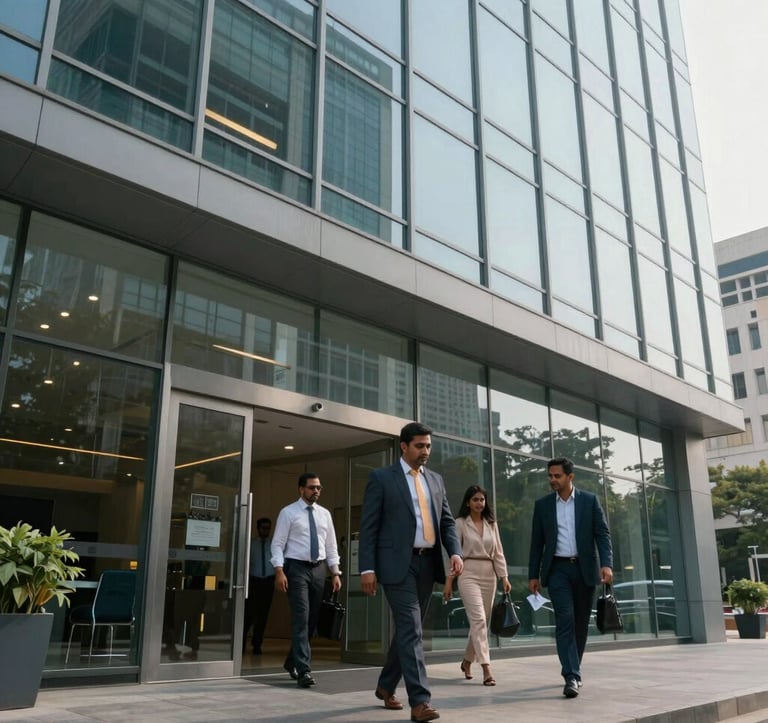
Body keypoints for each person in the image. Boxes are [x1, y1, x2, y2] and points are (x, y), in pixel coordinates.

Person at [359, 422, 463, 723]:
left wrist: (454, 551)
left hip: (427, 564)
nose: (425, 451)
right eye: (420, 446)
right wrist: (367, 568)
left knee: (408, 630)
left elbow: (446, 522)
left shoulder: (436, 480)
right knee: (412, 628)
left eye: (428, 446)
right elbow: (369, 527)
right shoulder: (381, 478)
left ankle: (385, 685)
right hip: (396, 566)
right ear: (403, 446)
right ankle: (420, 702)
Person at [528, 456, 613, 699]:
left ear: (570, 477)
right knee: (564, 619)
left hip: (585, 569)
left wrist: (606, 563)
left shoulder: (589, 501)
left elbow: (603, 534)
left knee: (580, 623)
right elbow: (537, 543)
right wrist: (533, 574)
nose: (552, 480)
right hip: (557, 570)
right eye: (550, 476)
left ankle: (574, 669)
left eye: (557, 475)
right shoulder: (543, 505)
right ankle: (571, 675)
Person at [271, 473, 342, 688]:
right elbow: (277, 544)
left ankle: (291, 661)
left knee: (312, 622)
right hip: (296, 568)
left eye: (319, 488)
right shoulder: (289, 513)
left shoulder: (324, 514)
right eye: (312, 488)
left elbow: (331, 545)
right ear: (301, 489)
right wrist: (279, 570)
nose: (316, 491)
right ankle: (304, 670)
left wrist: (335, 572)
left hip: (319, 569)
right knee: (301, 617)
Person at [443, 485, 510, 687]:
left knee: (481, 622)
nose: (479, 503)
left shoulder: (492, 523)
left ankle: (466, 661)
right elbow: (451, 553)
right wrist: (449, 581)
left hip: (489, 574)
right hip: (467, 572)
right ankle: (486, 668)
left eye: (482, 500)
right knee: (478, 619)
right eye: (475, 500)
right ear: (467, 502)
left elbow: (498, 552)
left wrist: (504, 577)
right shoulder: (460, 523)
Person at [242, 517, 275, 655]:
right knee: (249, 614)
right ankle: (241, 643)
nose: (265, 531)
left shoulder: (273, 544)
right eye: (263, 528)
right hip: (254, 581)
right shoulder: (252, 544)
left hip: (268, 581)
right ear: (258, 528)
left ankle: (257, 644)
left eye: (268, 528)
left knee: (263, 615)